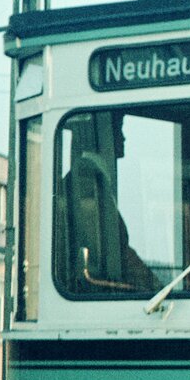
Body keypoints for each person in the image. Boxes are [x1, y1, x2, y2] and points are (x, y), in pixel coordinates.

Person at [56, 112, 159, 293]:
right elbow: (105, 252)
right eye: (119, 130)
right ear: (103, 134)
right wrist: (152, 285)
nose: (124, 138)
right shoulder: (87, 180)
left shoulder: (95, 178)